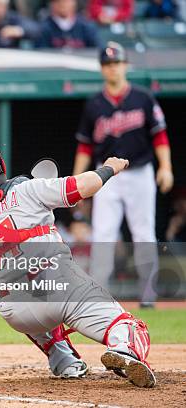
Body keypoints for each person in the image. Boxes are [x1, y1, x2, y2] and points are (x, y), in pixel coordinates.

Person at [0, 142, 156, 387]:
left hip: (17, 313)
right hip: (60, 288)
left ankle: (64, 360)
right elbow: (84, 186)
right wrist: (110, 168)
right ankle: (126, 348)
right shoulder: (28, 188)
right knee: (127, 326)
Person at [73, 42, 173, 308]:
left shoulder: (143, 98)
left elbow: (159, 135)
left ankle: (148, 295)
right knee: (103, 234)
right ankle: (97, 296)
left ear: (125, 65)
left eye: (116, 63)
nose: (112, 68)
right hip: (107, 176)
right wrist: (76, 178)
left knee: (143, 234)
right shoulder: (94, 104)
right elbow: (85, 144)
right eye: (107, 64)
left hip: (140, 172)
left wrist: (166, 167)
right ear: (102, 69)